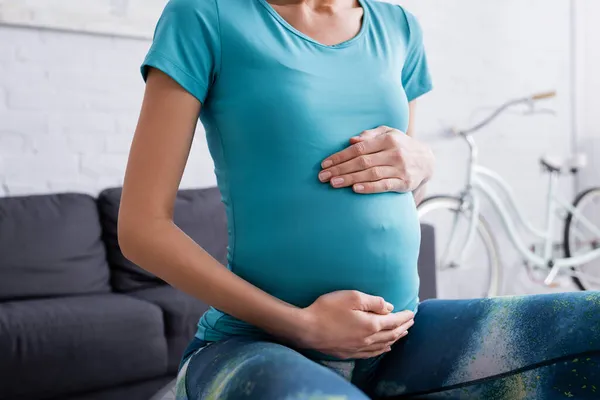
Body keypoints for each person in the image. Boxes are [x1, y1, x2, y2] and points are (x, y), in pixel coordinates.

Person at [119, 0, 600, 398]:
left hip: (400, 334)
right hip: (262, 343)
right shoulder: (206, 16)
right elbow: (141, 229)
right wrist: (302, 326)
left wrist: (423, 163)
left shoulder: (398, 27)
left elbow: (399, 187)